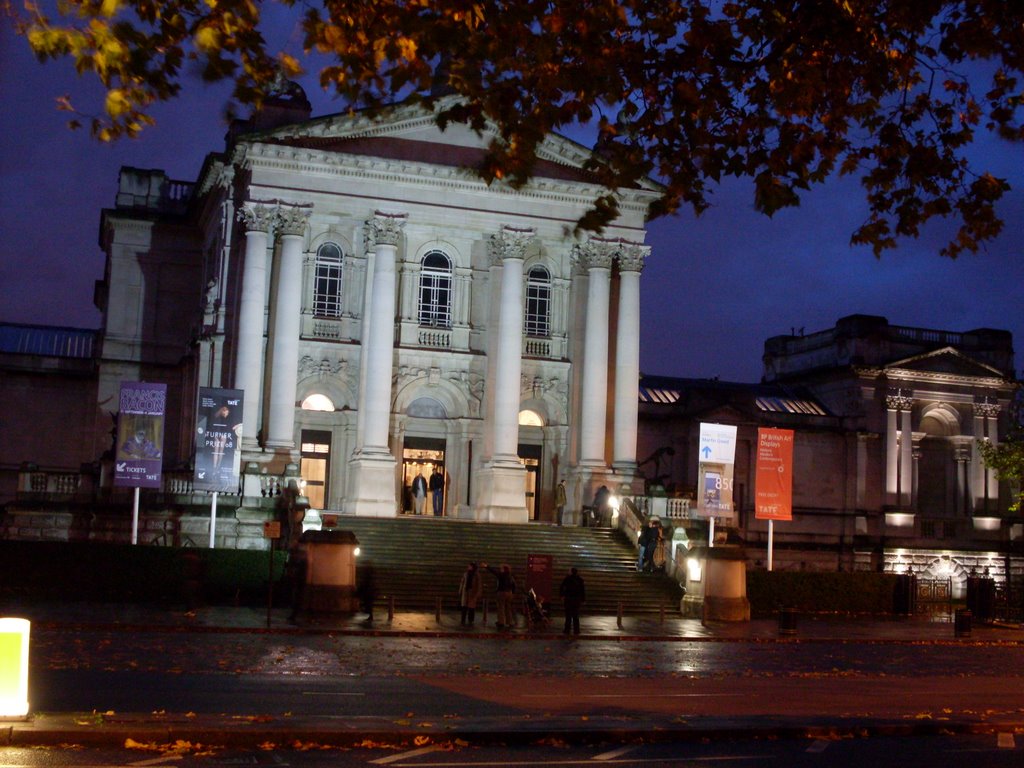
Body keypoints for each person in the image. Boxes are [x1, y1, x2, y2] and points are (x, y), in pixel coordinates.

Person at [483, 562, 517, 629]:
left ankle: (501, 622)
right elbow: (514, 585)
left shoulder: (502, 575)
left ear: (504, 569)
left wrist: (487, 566)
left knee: (501, 608)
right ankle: (510, 622)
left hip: (502, 592)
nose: (500, 569)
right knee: (508, 608)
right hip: (509, 593)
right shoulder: (510, 576)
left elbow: (494, 572)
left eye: (501, 568)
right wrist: (513, 593)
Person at [559, 567, 585, 635]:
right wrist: (583, 599)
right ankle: (576, 630)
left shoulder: (567, 579)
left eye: (569, 571)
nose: (568, 572)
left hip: (568, 599)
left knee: (568, 615)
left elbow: (562, 587)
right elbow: (582, 590)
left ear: (571, 572)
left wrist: (562, 596)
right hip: (576, 599)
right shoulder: (580, 579)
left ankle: (567, 630)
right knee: (576, 615)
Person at [458, 562, 483, 626]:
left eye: (469, 566)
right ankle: (463, 620)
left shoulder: (477, 575)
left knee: (471, 608)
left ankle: (470, 620)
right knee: (464, 607)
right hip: (465, 591)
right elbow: (462, 582)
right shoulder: (466, 574)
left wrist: (478, 593)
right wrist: (460, 591)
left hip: (472, 592)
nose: (468, 567)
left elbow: (479, 584)